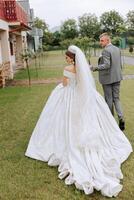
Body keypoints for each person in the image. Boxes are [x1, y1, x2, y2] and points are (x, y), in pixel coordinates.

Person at [25, 45, 132, 198]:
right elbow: (84, 85)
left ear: (71, 58)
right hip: (80, 96)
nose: (66, 59)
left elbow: (65, 84)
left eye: (67, 57)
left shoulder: (68, 69)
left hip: (68, 95)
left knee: (62, 120)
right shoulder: (82, 69)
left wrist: (64, 83)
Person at [91, 33, 125, 131]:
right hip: (117, 77)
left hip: (107, 79)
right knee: (116, 99)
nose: (100, 42)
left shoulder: (106, 50)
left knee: (109, 100)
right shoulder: (117, 49)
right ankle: (121, 118)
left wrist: (94, 68)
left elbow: (106, 65)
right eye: (100, 40)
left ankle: (111, 122)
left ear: (107, 40)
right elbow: (120, 64)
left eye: (102, 40)